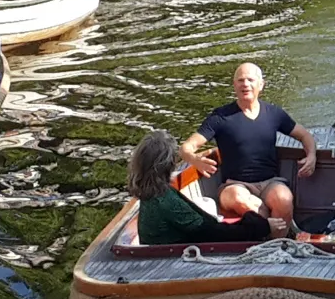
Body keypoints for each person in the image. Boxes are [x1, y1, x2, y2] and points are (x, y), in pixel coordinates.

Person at [184, 61, 316, 232]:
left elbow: (305, 136)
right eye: (240, 80)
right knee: (241, 199)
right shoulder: (220, 117)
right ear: (234, 85)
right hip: (234, 185)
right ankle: (265, 238)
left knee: (283, 198)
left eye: (250, 80)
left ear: (261, 85)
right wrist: (194, 159)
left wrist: (311, 155)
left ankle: (278, 246)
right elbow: (186, 147)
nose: (245, 84)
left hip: (270, 182)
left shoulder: (274, 114)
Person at [129, 129, 272, 247]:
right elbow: (210, 233)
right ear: (169, 165)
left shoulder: (150, 194)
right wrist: (262, 225)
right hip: (175, 260)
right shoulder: (165, 200)